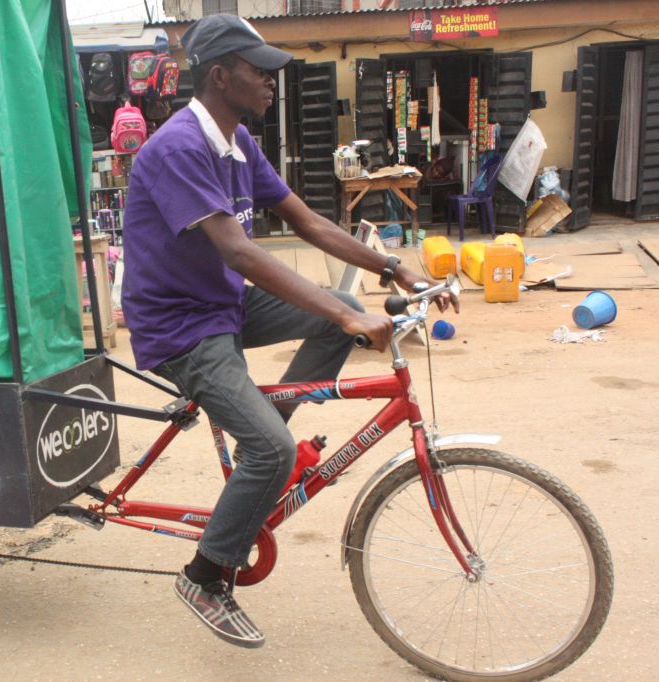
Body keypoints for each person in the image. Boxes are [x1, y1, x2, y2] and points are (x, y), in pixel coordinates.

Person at [120, 14, 458, 649]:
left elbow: (307, 223)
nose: (272, 79)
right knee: (277, 441)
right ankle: (206, 574)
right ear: (221, 76)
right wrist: (347, 314)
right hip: (180, 327)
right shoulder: (179, 148)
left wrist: (394, 268)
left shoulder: (238, 143)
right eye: (258, 68)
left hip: (224, 306)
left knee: (331, 313)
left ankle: (266, 438)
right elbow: (241, 253)